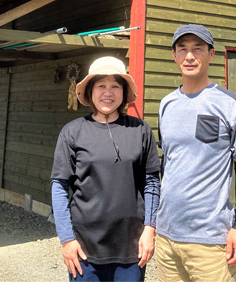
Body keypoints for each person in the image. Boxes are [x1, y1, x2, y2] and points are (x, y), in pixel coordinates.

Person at [156, 24, 236, 282]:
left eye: (197, 49)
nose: (189, 56)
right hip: (166, 238)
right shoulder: (166, 104)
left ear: (211, 54)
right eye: (182, 49)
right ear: (174, 55)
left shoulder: (230, 104)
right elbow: (167, 162)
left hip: (210, 241)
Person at [51, 56, 161, 281]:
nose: (108, 93)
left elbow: (151, 182)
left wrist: (150, 229)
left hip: (131, 248)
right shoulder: (72, 132)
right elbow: (59, 186)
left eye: (115, 86)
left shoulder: (140, 130)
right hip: (84, 249)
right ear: (90, 91)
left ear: (124, 92)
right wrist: (66, 239)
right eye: (101, 85)